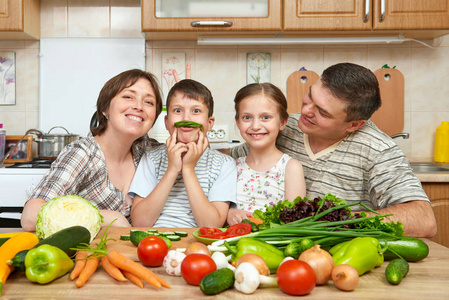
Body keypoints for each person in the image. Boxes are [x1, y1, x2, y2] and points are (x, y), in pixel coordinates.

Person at [230, 63, 437, 238]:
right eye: (309, 96)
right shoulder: (286, 126)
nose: (305, 111)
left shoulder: (377, 150)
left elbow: (424, 219)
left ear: (354, 125)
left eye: (322, 112)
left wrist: (335, 221)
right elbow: (231, 161)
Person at [21, 69, 164, 230]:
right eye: (128, 97)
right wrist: (102, 217)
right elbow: (30, 217)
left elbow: (185, 150)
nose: (139, 106)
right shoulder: (83, 153)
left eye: (149, 102)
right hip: (84, 254)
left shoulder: (149, 151)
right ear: (105, 109)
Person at [129, 79, 237, 228]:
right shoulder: (152, 158)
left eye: (196, 111)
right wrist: (172, 169)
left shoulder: (224, 164)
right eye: (178, 111)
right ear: (167, 122)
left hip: (196, 243)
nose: (186, 119)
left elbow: (211, 226)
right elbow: (140, 222)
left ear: (210, 123)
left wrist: (188, 169)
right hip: (153, 242)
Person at [227, 83, 306, 226]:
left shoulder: (291, 168)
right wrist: (229, 213)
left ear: (282, 122)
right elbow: (217, 209)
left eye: (265, 117)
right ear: (237, 122)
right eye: (247, 118)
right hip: (233, 242)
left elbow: (294, 223)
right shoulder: (230, 166)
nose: (255, 126)